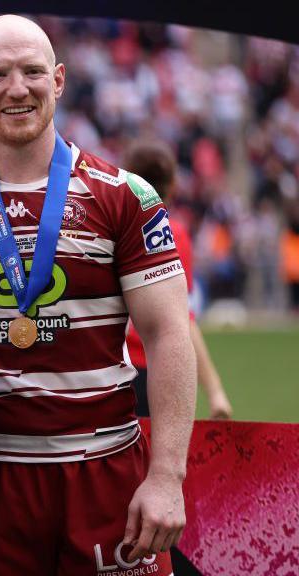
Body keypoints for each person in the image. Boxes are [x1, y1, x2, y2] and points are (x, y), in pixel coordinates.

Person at [0, 15, 196, 575]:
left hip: (105, 472)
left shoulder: (125, 196)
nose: (18, 88)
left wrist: (166, 477)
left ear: (58, 80)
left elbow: (168, 335)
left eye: (33, 71)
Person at [121, 140, 233, 420]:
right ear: (172, 187)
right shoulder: (173, 234)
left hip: (112, 369)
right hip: (158, 368)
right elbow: (184, 318)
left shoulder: (110, 230)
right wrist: (216, 390)